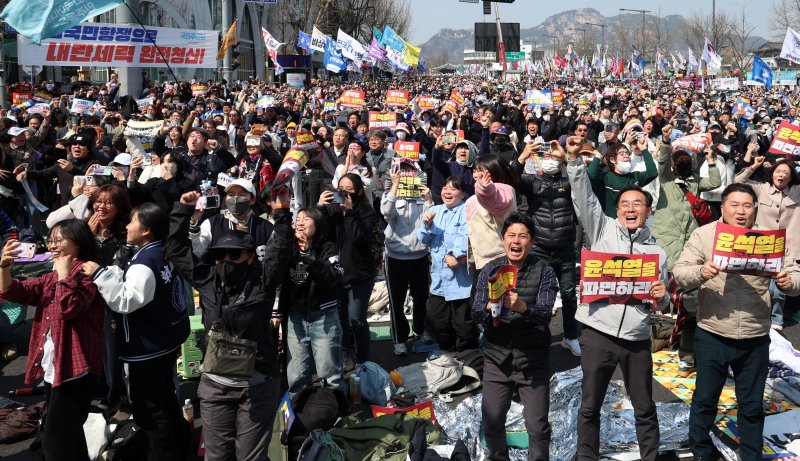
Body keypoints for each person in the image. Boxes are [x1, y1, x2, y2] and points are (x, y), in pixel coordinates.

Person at [673, 183, 800, 461]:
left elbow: (795, 272)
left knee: (752, 405)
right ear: (723, 207)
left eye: (747, 205)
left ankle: (751, 455)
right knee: (705, 400)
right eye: (735, 205)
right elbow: (680, 272)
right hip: (713, 333)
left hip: (755, 336)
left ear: (755, 208)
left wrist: (791, 282)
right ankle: (702, 452)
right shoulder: (705, 235)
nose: (741, 211)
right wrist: (700, 272)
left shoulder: (770, 237)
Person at [564, 137, 669, 461]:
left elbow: (661, 306)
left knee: (645, 407)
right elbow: (584, 199)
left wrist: (662, 299)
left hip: (637, 338)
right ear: (618, 209)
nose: (630, 209)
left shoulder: (658, 254)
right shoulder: (602, 230)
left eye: (637, 204)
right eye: (624, 204)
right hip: (598, 332)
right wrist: (572, 161)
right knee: (590, 405)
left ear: (648, 211)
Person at [166, 190, 288, 461]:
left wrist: (281, 213)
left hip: (257, 384)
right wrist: (182, 211)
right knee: (217, 456)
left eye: (234, 255)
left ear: (250, 257)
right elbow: (176, 250)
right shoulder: (208, 279)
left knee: (250, 458)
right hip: (216, 386)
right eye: (219, 255)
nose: (225, 261)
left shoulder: (263, 281)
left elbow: (281, 248)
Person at [81, 203, 191, 461]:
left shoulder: (145, 260)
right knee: (165, 400)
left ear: (146, 230)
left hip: (147, 347)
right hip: (164, 341)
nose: (127, 226)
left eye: (132, 221)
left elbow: (126, 300)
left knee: (150, 412)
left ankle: (164, 455)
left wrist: (98, 273)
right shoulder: (160, 251)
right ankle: (182, 442)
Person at [0, 219, 105, 461]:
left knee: (55, 441)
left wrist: (65, 275)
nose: (53, 245)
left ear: (77, 244)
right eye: (51, 240)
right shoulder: (52, 275)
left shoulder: (87, 274)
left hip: (75, 368)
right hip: (55, 366)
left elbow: (69, 308)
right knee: (67, 433)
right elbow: (14, 292)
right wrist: (4, 266)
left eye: (60, 240)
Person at [472, 213, 557, 461]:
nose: (516, 241)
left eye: (523, 236)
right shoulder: (490, 269)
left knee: (537, 425)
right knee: (492, 419)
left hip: (532, 360)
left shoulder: (544, 271)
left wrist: (522, 308)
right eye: (511, 235)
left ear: (531, 243)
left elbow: (544, 314)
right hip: (497, 357)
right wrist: (487, 308)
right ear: (503, 240)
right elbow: (475, 312)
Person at [512, 138, 582, 356]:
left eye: (554, 157)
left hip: (565, 248)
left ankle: (571, 336)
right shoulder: (534, 182)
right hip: (539, 247)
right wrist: (522, 157)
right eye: (547, 157)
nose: (550, 160)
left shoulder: (568, 182)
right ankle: (535, 336)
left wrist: (570, 158)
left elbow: (582, 181)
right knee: (535, 294)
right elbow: (513, 179)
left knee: (569, 294)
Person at [278, 204, 346, 396]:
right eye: (297, 219)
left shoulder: (328, 248)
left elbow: (331, 279)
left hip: (324, 316)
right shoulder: (289, 248)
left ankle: (336, 415)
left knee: (330, 374)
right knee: (296, 376)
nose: (300, 223)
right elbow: (286, 281)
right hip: (296, 318)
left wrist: (308, 255)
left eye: (306, 219)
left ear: (318, 224)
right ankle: (298, 415)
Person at [318, 173, 378, 366]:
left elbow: (360, 237)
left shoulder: (367, 213)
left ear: (359, 192)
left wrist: (350, 213)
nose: (343, 195)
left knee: (356, 320)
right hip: (336, 275)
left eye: (349, 191)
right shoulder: (332, 212)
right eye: (340, 191)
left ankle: (363, 360)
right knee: (339, 318)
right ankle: (344, 353)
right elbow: (313, 225)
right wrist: (320, 206)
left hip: (360, 275)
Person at [735, 156, 800, 330]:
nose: (781, 175)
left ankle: (777, 319)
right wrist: (754, 166)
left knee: (780, 283)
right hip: (764, 242)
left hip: (788, 245)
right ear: (772, 174)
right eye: (778, 171)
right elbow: (738, 181)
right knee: (762, 284)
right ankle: (760, 315)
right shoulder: (762, 189)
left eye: (785, 172)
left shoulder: (797, 191)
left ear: (791, 177)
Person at [418, 176, 475, 352]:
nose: (447, 192)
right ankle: (448, 351)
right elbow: (422, 239)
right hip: (439, 279)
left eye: (453, 188)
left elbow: (465, 235)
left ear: (463, 193)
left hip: (460, 280)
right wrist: (427, 225)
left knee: (463, 324)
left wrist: (456, 256)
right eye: (445, 187)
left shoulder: (466, 210)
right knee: (436, 320)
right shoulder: (434, 210)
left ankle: (469, 355)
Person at [381, 162, 433, 355]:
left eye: (410, 171)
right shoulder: (390, 195)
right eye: (403, 171)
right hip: (396, 256)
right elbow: (386, 212)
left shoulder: (422, 197)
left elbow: (431, 220)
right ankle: (399, 339)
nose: (407, 175)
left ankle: (421, 331)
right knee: (397, 300)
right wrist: (395, 185)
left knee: (421, 298)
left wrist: (427, 198)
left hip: (420, 255)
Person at [189, 178, 274, 262]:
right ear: (225, 199)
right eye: (231, 194)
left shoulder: (266, 228)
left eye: (241, 194)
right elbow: (197, 252)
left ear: (252, 200)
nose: (236, 198)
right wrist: (193, 222)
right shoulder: (212, 223)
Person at [587, 135, 658, 217]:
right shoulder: (605, 177)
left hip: (630, 223)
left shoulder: (635, 177)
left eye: (627, 153)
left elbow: (653, 173)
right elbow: (591, 174)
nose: (626, 155)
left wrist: (644, 150)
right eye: (621, 153)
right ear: (613, 160)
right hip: (610, 224)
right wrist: (598, 157)